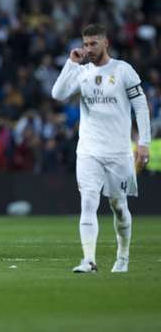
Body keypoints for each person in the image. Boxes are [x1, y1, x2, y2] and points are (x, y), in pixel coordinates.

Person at [51, 24, 151, 273]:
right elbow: (58, 94)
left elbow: (141, 107)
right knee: (88, 201)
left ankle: (123, 257)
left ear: (105, 42)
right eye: (85, 44)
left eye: (93, 43)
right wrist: (71, 64)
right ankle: (89, 260)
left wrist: (144, 143)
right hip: (88, 150)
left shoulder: (123, 70)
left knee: (118, 206)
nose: (88, 49)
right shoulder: (82, 72)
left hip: (118, 152)